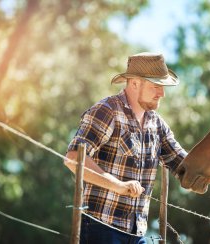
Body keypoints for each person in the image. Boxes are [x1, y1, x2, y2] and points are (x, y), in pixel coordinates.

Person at [64, 52, 187, 244]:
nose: (162, 93)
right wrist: (118, 186)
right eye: (156, 86)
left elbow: (185, 165)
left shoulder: (157, 125)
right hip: (101, 228)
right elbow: (73, 158)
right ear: (135, 83)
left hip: (137, 234)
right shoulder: (108, 110)